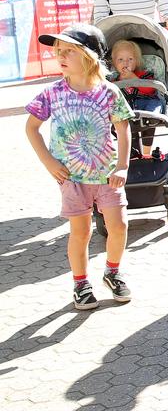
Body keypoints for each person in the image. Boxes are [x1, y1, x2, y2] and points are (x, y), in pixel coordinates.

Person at [25, 23, 134, 310]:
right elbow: (32, 128)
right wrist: (49, 162)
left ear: (89, 57)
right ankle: (81, 283)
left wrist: (122, 165)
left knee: (119, 226)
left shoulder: (109, 92)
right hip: (71, 178)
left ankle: (112, 272)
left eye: (69, 51)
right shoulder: (52, 92)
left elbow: (123, 129)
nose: (60, 56)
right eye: (58, 51)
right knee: (81, 232)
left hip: (108, 175)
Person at [108, 39, 163, 158]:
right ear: (114, 63)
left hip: (146, 106)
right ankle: (133, 152)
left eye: (130, 59)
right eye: (120, 59)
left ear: (136, 61)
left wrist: (133, 78)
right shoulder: (114, 81)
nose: (125, 63)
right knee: (122, 123)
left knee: (150, 116)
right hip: (126, 111)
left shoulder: (144, 75)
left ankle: (146, 152)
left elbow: (150, 90)